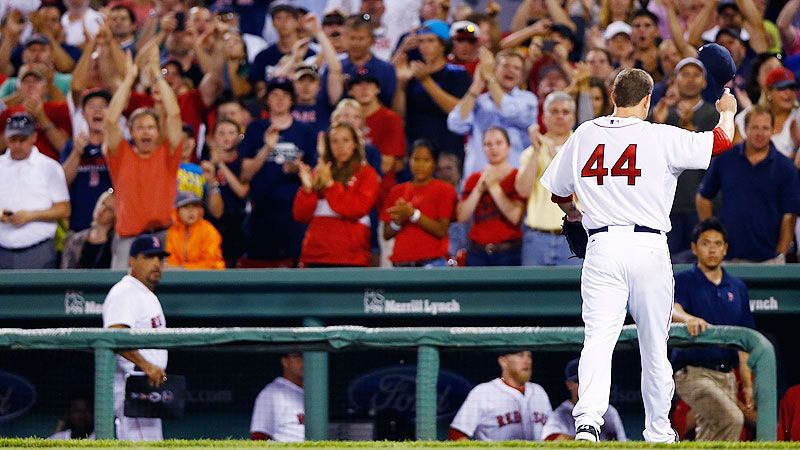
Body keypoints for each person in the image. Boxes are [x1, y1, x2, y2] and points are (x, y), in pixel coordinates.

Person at [539, 68, 737, 442]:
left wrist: (574, 214)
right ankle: (659, 430)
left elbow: (558, 193)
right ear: (646, 100)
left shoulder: (585, 133)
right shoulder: (659, 135)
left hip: (602, 248)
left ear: (613, 94)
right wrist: (726, 109)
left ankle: (586, 424)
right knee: (653, 343)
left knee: (598, 339)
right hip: (647, 246)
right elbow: (722, 141)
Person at [670, 218, 756, 441]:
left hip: (727, 375)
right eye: (706, 243)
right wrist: (688, 318)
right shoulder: (683, 280)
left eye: (718, 244)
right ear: (694, 248)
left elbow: (743, 343)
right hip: (693, 373)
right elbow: (670, 310)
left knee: (711, 434)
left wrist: (747, 386)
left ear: (725, 248)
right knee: (732, 419)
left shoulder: (737, 287)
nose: (712, 249)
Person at [104, 52, 184, 269]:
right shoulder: (120, 156)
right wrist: (130, 78)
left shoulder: (167, 155)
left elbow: (174, 115)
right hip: (127, 243)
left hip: (163, 239)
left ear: (159, 132)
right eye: (139, 128)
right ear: (130, 132)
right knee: (123, 298)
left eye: (150, 127)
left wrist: (158, 75)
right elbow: (111, 119)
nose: (145, 132)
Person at [697, 106, 800, 264]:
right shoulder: (725, 159)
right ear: (745, 129)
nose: (760, 133)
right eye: (754, 127)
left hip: (770, 259)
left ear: (773, 130)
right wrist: (714, 235)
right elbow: (703, 198)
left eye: (765, 128)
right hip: (727, 257)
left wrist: (780, 254)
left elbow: (790, 216)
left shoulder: (786, 168)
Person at [101, 234, 169, 441]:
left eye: (160, 258)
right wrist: (146, 365)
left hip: (147, 388)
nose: (157, 264)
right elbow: (115, 337)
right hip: (133, 389)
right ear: (132, 260)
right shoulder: (125, 292)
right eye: (149, 257)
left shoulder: (144, 294)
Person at [293, 123, 379, 267]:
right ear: (328, 145)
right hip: (314, 257)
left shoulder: (367, 174)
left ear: (355, 144)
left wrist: (330, 186)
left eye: (346, 140)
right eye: (335, 141)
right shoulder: (319, 172)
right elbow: (301, 216)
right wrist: (307, 191)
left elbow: (356, 209)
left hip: (350, 258)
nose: (340, 146)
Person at [448, 49, 537, 178]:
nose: (510, 70)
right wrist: (477, 84)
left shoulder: (528, 99)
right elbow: (456, 124)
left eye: (516, 68)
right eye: (505, 66)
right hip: (478, 179)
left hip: (514, 179)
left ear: (522, 77)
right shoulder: (478, 101)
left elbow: (509, 111)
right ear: (495, 70)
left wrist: (489, 77)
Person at [515, 92, 580, 267]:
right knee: (533, 293)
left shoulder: (583, 150)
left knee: (572, 293)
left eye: (565, 112)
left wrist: (556, 157)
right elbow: (522, 190)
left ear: (573, 118)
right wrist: (537, 151)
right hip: (536, 238)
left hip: (573, 237)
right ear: (544, 118)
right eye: (554, 111)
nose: (560, 115)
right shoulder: (530, 153)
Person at [0, 113, 70, 269]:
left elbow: (64, 209)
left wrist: (30, 215)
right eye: (13, 139)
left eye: (22, 139)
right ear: (5, 138)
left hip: (39, 249)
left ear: (33, 137)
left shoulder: (49, 167)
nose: (17, 145)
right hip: (2, 248)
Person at [394, 20, 471, 159]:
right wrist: (401, 84)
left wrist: (426, 81)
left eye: (430, 41)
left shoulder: (458, 74)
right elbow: (399, 114)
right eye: (421, 41)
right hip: (415, 150)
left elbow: (457, 111)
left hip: (447, 151)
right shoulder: (412, 74)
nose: (425, 46)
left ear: (443, 44)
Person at [381, 140, 457, 267]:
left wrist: (413, 214)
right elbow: (386, 234)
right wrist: (398, 222)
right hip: (401, 263)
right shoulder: (397, 191)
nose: (420, 165)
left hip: (432, 263)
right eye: (416, 159)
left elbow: (441, 230)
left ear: (434, 163)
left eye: (426, 160)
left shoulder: (445, 190)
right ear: (409, 160)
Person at [449, 350, 553, 441]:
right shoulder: (483, 392)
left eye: (529, 356)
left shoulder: (539, 392)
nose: (527, 361)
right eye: (520, 355)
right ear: (503, 361)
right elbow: (457, 433)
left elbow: (550, 435)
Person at [457, 128, 524, 267]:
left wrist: (493, 187)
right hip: (478, 252)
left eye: (498, 143)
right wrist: (478, 189)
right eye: (488, 144)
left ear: (508, 147)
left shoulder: (517, 177)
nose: (493, 148)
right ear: (483, 148)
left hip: (509, 251)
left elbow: (514, 215)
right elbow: (462, 216)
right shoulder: (474, 179)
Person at [60, 90, 113, 233]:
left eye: (103, 106)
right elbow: (62, 182)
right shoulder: (72, 146)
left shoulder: (120, 147)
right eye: (92, 106)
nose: (98, 110)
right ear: (83, 114)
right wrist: (76, 153)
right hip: (78, 225)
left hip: (112, 227)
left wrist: (111, 151)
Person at [541, 358, 627, 441]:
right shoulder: (561, 414)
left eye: (589, 380)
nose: (585, 385)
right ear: (569, 384)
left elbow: (623, 443)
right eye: (580, 380)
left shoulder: (609, 411)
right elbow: (550, 439)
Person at [202, 119, 249, 268]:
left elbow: (242, 191)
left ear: (239, 136)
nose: (226, 137)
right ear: (212, 138)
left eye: (231, 133)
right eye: (221, 133)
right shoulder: (204, 163)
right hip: (210, 222)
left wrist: (220, 163)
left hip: (237, 224)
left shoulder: (244, 162)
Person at [250, 353, 305, 441]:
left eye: (305, 357)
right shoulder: (271, 393)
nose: (303, 361)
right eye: (297, 357)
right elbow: (259, 437)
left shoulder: (314, 393)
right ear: (285, 361)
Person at [165, 192, 225, 270]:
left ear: (200, 211)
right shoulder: (172, 232)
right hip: (181, 276)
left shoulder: (209, 231)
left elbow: (209, 263)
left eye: (195, 207)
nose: (191, 211)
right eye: (186, 207)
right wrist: (180, 270)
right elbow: (171, 261)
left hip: (211, 277)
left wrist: (184, 269)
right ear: (177, 211)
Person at [61, 189, 115, 269]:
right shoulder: (74, 240)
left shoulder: (115, 244)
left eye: (109, 209)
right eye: (102, 203)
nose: (102, 209)